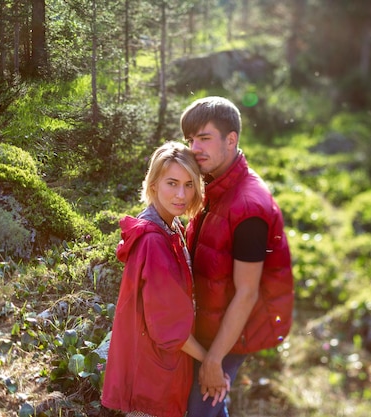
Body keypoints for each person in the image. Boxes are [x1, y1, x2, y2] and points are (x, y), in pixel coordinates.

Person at [181, 96, 295, 417]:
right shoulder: (214, 184)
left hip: (233, 333)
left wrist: (215, 359)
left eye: (204, 138)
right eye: (190, 139)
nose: (194, 148)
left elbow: (247, 293)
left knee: (198, 411)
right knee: (212, 408)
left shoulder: (248, 207)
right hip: (207, 321)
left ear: (231, 140)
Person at [101, 141, 227, 417]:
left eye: (189, 184)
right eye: (172, 183)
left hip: (162, 370)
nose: (181, 194)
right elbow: (170, 328)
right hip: (152, 382)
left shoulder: (172, 227)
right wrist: (211, 363)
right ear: (154, 183)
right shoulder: (153, 241)